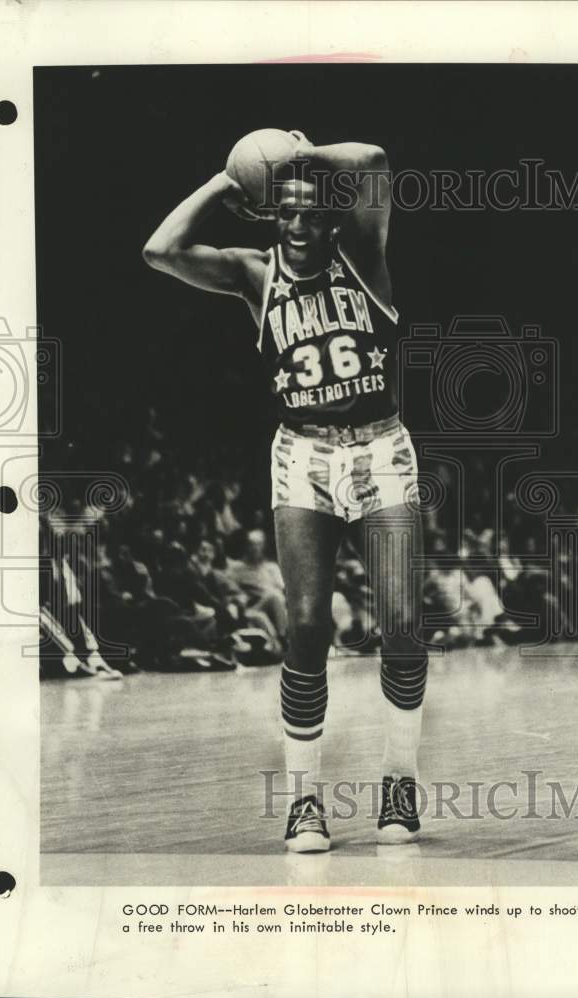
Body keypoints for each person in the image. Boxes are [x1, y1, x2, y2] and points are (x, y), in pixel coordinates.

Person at [143, 132, 427, 852]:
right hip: (300, 455)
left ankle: (398, 780)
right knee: (304, 627)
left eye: (308, 214)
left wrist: (298, 151)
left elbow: (370, 162)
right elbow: (159, 251)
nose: (296, 227)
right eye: (283, 214)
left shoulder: (363, 257)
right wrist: (226, 176)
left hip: (379, 449)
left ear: (333, 221)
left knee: (398, 624)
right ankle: (304, 801)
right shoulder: (254, 274)